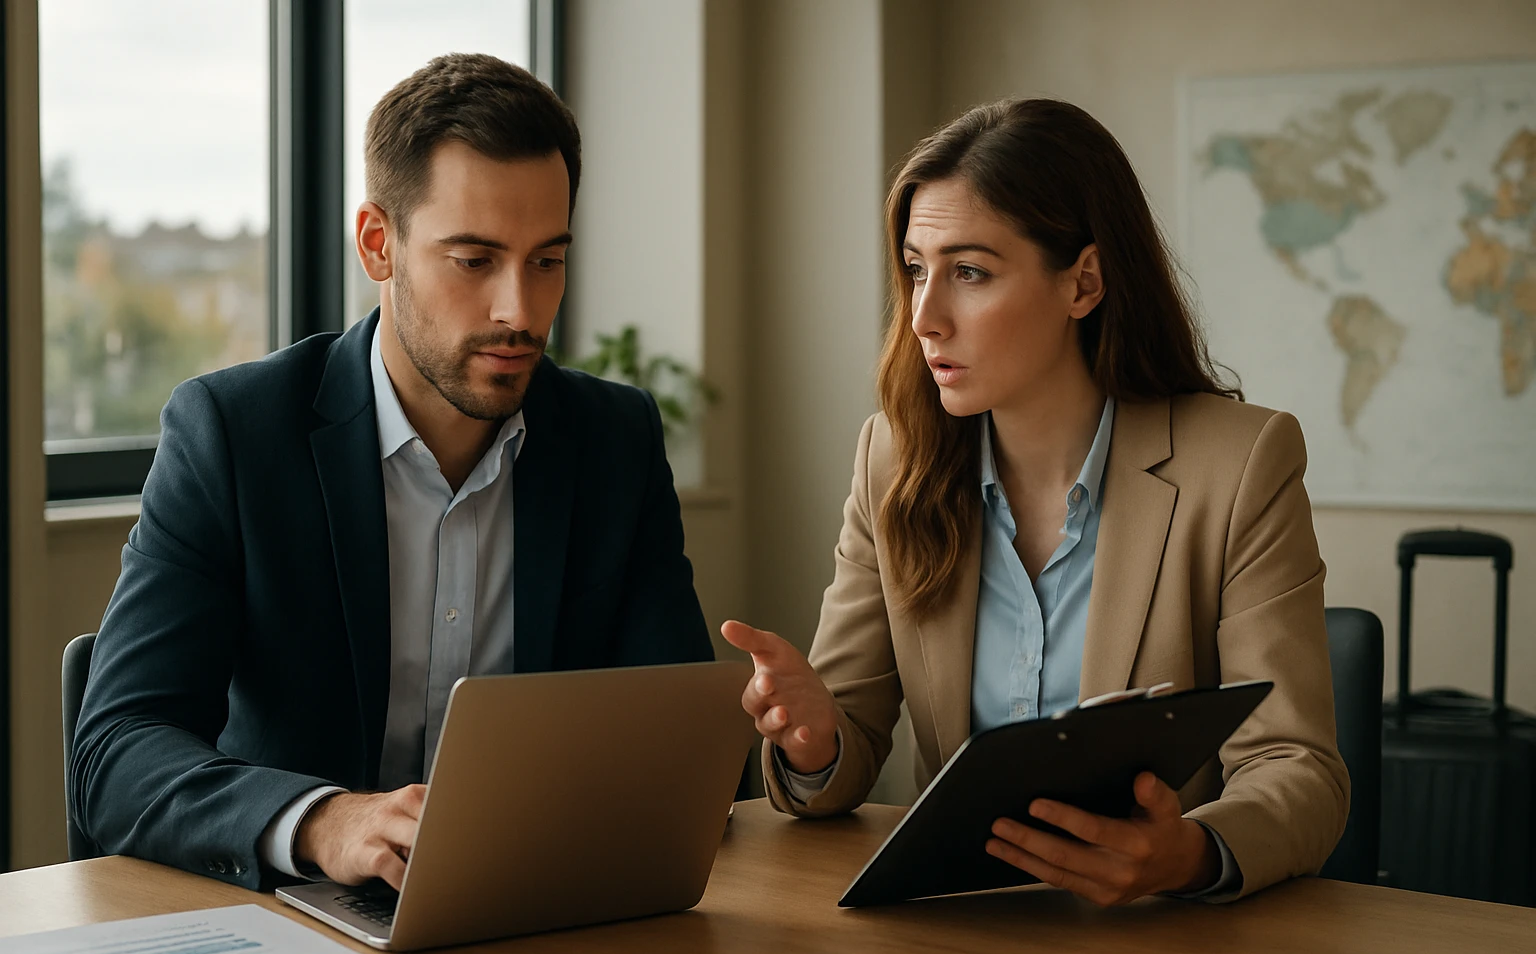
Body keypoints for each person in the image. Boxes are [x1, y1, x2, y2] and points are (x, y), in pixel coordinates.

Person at [69, 54, 713, 892]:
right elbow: (116, 750)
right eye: (474, 260)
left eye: (547, 261)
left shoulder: (611, 441)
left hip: (532, 920)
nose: (519, 310)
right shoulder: (234, 434)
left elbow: (678, 751)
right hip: (294, 919)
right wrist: (323, 821)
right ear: (380, 244)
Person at [723, 98, 1347, 905]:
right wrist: (813, 742)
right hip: (957, 934)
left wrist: (1190, 854)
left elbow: (1300, 769)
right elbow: (851, 739)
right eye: (916, 270)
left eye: (970, 272)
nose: (924, 317)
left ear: (1083, 281)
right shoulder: (892, 457)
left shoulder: (1240, 464)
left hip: (1160, 949)